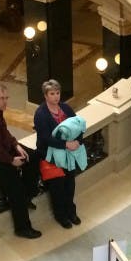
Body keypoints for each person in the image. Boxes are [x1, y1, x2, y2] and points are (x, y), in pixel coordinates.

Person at [0, 84, 42, 239]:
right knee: (16, 189)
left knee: (33, 156)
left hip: (3, 150)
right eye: (2, 98)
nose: (5, 102)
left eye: (6, 98)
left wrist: (16, 145)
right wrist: (12, 160)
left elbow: (4, 133)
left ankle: (28, 196)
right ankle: (22, 227)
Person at [34, 80, 84, 229]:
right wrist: (66, 144)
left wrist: (78, 142)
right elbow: (45, 138)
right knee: (57, 188)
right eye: (52, 94)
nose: (56, 97)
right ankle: (61, 216)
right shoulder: (41, 113)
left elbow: (78, 126)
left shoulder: (66, 108)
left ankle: (71, 212)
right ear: (45, 95)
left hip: (69, 155)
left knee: (70, 185)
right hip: (51, 157)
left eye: (57, 93)